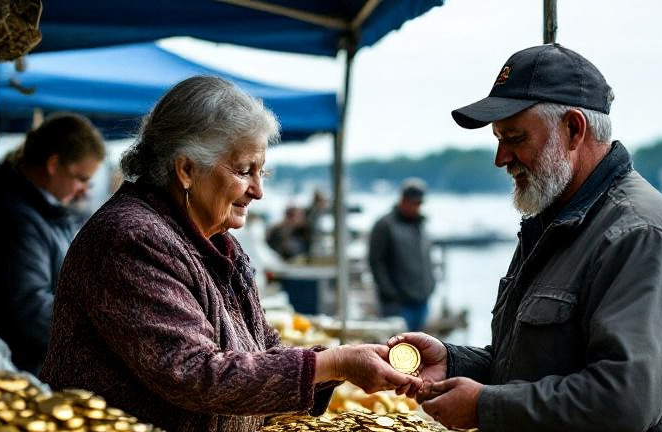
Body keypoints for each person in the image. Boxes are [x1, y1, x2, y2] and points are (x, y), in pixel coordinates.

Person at [40, 76, 421, 432]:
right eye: (244, 171)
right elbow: (194, 373)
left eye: (262, 173)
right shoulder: (129, 238)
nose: (258, 191)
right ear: (187, 168)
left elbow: (264, 352)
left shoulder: (219, 244)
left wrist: (340, 366)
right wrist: (335, 362)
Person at [391, 44, 662, 431]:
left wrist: (485, 406)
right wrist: (455, 361)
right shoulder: (555, 221)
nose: (501, 158)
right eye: (498, 139)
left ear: (574, 130)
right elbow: (533, 365)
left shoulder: (642, 236)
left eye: (514, 137)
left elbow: (623, 404)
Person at [0, 112, 105, 375]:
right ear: (53, 164)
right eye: (81, 177)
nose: (85, 190)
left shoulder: (50, 211)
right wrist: (97, 331)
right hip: (21, 369)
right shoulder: (17, 218)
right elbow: (31, 307)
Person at [368, 178, 435, 331]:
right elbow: (376, 262)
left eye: (419, 203)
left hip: (422, 299)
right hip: (397, 304)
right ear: (403, 200)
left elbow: (426, 257)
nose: (417, 207)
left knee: (419, 347)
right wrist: (390, 294)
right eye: (414, 203)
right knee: (397, 348)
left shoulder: (421, 224)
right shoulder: (384, 225)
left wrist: (431, 285)